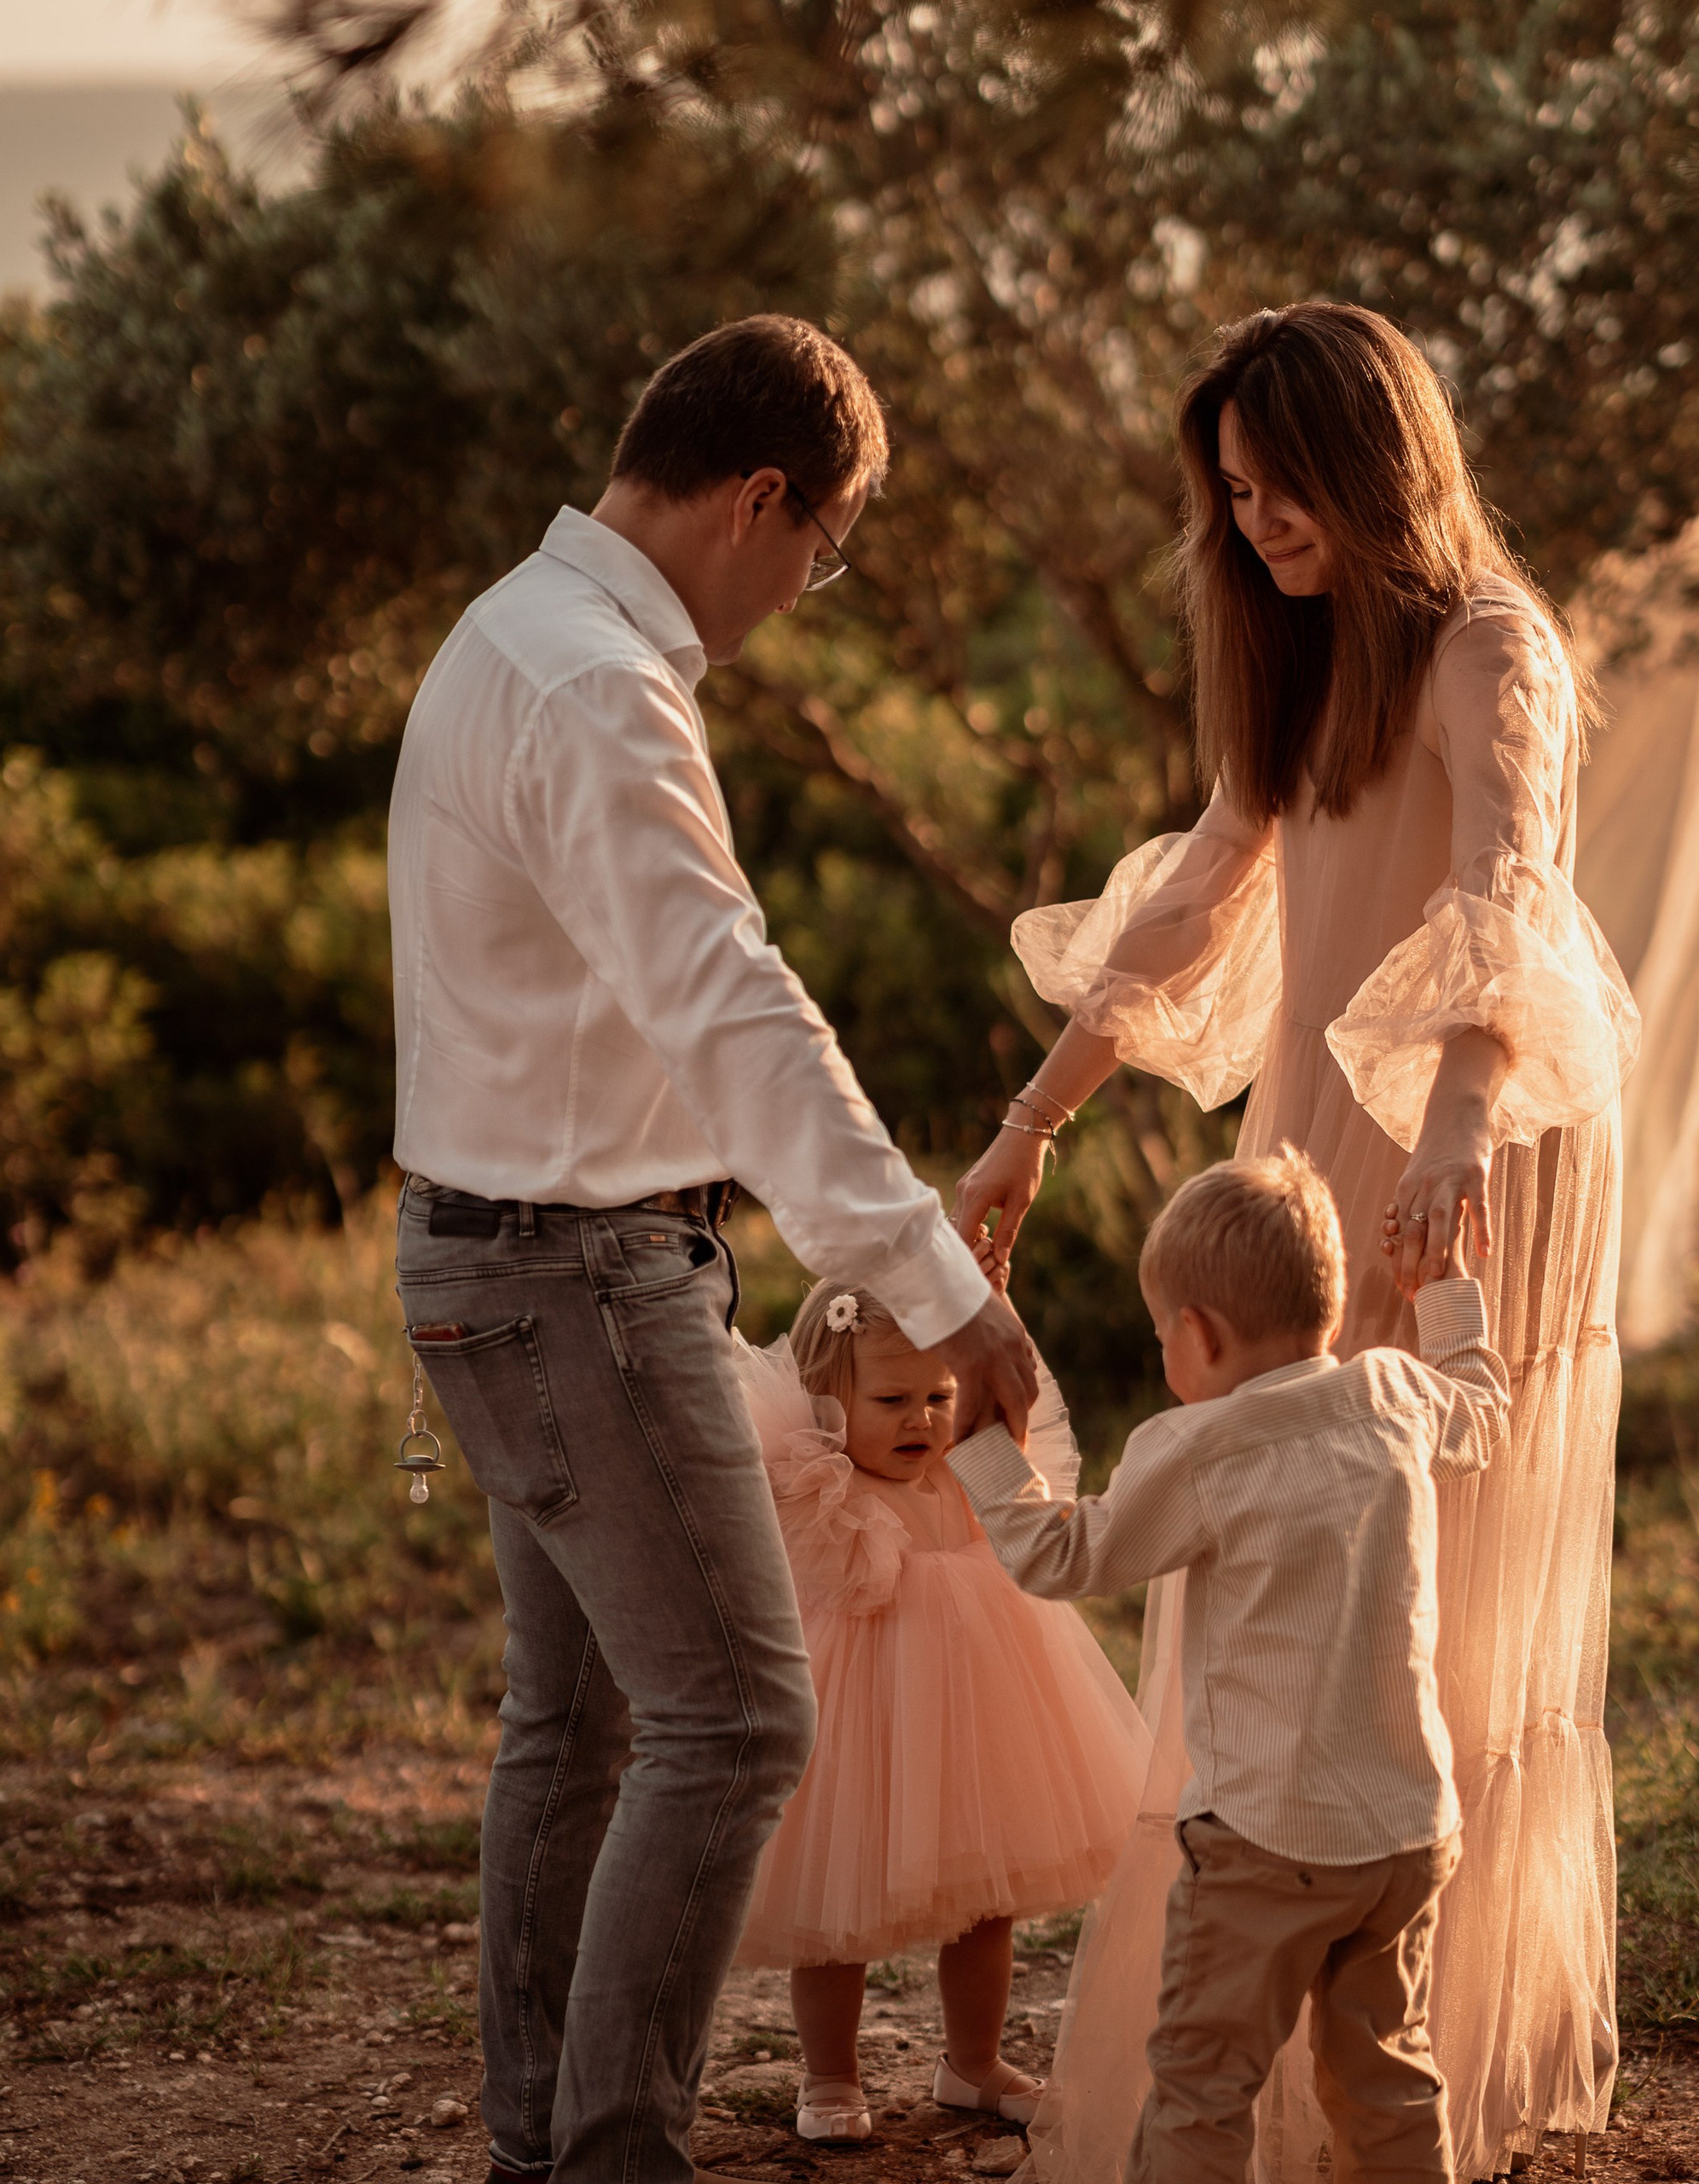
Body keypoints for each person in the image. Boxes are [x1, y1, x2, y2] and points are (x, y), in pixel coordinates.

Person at [950, 301, 1639, 2178]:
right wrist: (1031, 1119)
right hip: (1323, 1143)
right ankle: (1240, 2059)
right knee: (1268, 1564)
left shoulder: (1488, 642)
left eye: (1277, 485)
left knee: (1436, 1564)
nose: (1250, 525)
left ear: (1368, 461)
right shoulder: (1295, 656)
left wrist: (1448, 1134)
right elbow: (1192, 892)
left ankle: (1402, 2043)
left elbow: (1505, 888)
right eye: (1231, 496)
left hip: (1459, 1133)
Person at [389, 314, 1035, 2184]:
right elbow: (731, 1010)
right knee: (741, 1719)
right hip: (576, 1277)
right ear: (761, 497)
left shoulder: (507, 624)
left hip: (484, 1254)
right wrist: (938, 1285)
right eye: (817, 553)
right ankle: (605, 2155)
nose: (797, 593)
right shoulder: (597, 682)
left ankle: (543, 2138)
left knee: (574, 1724)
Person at [948, 1147, 1511, 2181]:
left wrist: (981, 1435)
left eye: (1163, 1331)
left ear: (1195, 1334)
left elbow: (1061, 1552)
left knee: (1204, 2088)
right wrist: (1447, 1294)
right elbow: (1481, 1407)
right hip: (1405, 1831)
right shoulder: (1391, 1391)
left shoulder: (1200, 1446)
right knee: (1387, 2076)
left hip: (1266, 1841)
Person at [728, 1272, 1148, 2144]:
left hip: (981, 1707)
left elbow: (1030, 1495)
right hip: (852, 1713)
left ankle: (973, 2062)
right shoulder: (814, 1486)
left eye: (938, 1396)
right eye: (891, 1399)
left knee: (985, 1896)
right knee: (833, 1902)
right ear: (826, 1402)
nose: (921, 1418)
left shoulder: (970, 1472)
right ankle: (831, 2071)